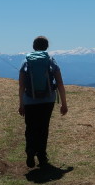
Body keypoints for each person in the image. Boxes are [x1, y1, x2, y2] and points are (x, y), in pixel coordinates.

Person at [18, 35, 68, 168]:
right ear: (47, 47)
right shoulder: (51, 60)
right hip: (48, 99)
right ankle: (42, 156)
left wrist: (21, 104)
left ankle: (30, 150)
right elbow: (60, 83)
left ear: (34, 47)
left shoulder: (26, 61)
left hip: (29, 99)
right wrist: (64, 103)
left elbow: (22, 85)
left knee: (30, 127)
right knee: (43, 127)